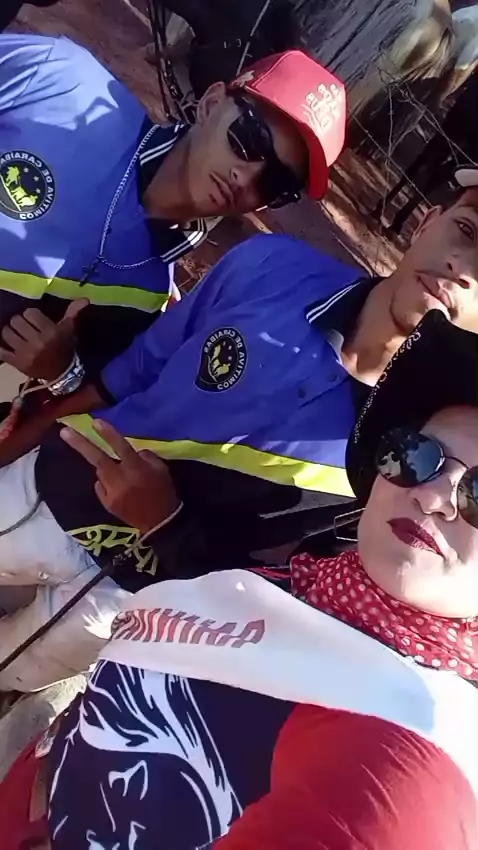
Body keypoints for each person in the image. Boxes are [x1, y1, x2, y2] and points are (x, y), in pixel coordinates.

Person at [1, 309, 477, 849]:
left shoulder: (415, 751)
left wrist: (168, 526)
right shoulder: (299, 582)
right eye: (418, 454)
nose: (432, 496)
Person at [0, 164, 477, 692]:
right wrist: (25, 433)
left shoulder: (427, 455)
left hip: (131, 598)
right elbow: (135, 369)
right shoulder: (270, 265)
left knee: (11, 672)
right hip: (52, 488)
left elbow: (286, 589)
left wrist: (167, 524)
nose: (466, 271)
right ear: (427, 222)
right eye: (468, 231)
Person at [0, 38, 338, 379]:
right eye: (250, 139)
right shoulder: (58, 79)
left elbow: (83, 395)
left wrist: (61, 370)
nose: (245, 177)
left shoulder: (145, 301)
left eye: (275, 182)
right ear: (211, 104)